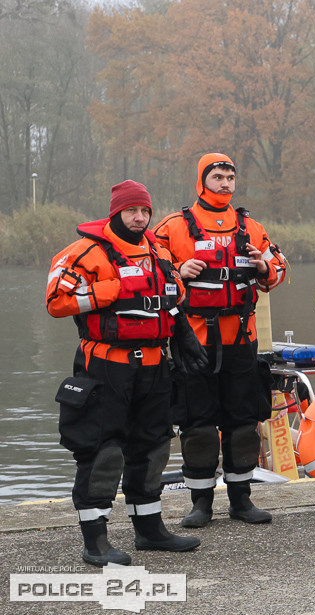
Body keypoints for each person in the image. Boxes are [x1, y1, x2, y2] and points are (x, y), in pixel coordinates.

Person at [46, 180, 204, 566]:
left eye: (145, 211)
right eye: (132, 211)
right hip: (106, 366)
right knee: (103, 451)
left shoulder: (156, 249)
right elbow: (56, 300)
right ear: (116, 212)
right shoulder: (85, 252)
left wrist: (182, 331)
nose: (139, 218)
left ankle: (149, 530)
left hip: (153, 366)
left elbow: (171, 294)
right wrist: (106, 291)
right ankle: (95, 541)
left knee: (152, 448)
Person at [153, 153, 288, 527]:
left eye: (230, 177)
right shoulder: (173, 227)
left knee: (243, 423)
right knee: (197, 424)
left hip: (240, 338)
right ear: (202, 180)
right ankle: (201, 503)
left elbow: (276, 273)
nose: (225, 183)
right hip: (194, 342)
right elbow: (151, 273)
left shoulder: (251, 227)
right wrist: (179, 271)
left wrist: (262, 266)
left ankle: (241, 500)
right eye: (218, 177)